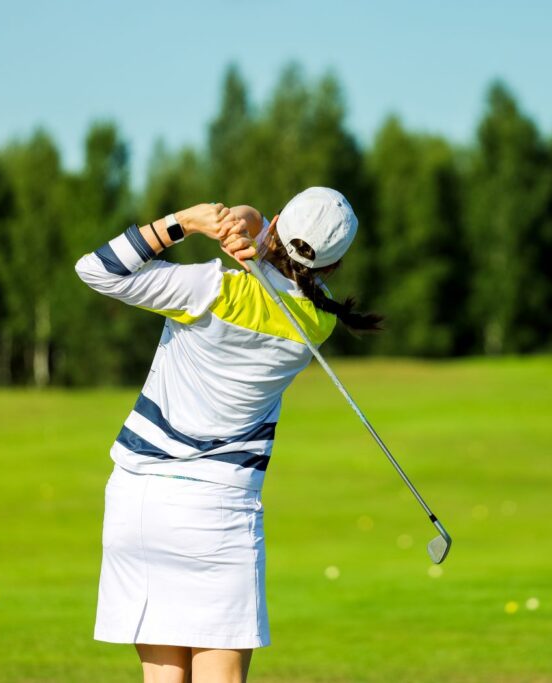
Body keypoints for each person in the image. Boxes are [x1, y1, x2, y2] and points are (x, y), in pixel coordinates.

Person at [74, 187, 381, 683]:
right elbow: (279, 249)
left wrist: (190, 222)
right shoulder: (318, 320)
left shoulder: (209, 289)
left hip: (137, 501)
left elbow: (96, 269)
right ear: (334, 267)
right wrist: (243, 228)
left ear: (277, 225)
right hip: (216, 517)